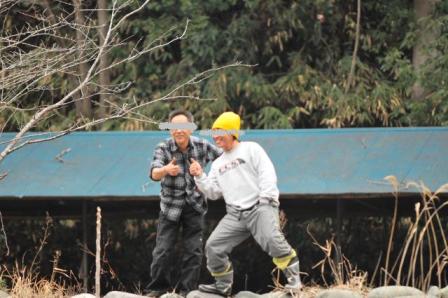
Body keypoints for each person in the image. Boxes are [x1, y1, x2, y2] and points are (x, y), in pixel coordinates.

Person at [189, 111, 302, 296]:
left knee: (273, 240)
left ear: (233, 131)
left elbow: (267, 173)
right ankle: (223, 286)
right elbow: (213, 192)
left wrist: (267, 199)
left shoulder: (251, 149)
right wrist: (199, 175)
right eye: (214, 132)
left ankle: (294, 281)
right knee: (213, 246)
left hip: (260, 206)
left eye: (220, 131)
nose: (216, 136)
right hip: (236, 214)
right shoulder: (218, 164)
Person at [146, 109, 222, 297]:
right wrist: (165, 169)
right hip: (170, 206)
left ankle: (187, 291)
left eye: (183, 126)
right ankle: (157, 289)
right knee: (163, 249)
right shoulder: (163, 147)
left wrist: (207, 176)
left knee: (193, 251)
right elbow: (154, 173)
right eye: (174, 127)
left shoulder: (202, 145)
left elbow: (224, 159)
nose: (178, 130)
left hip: (195, 205)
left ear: (190, 128)